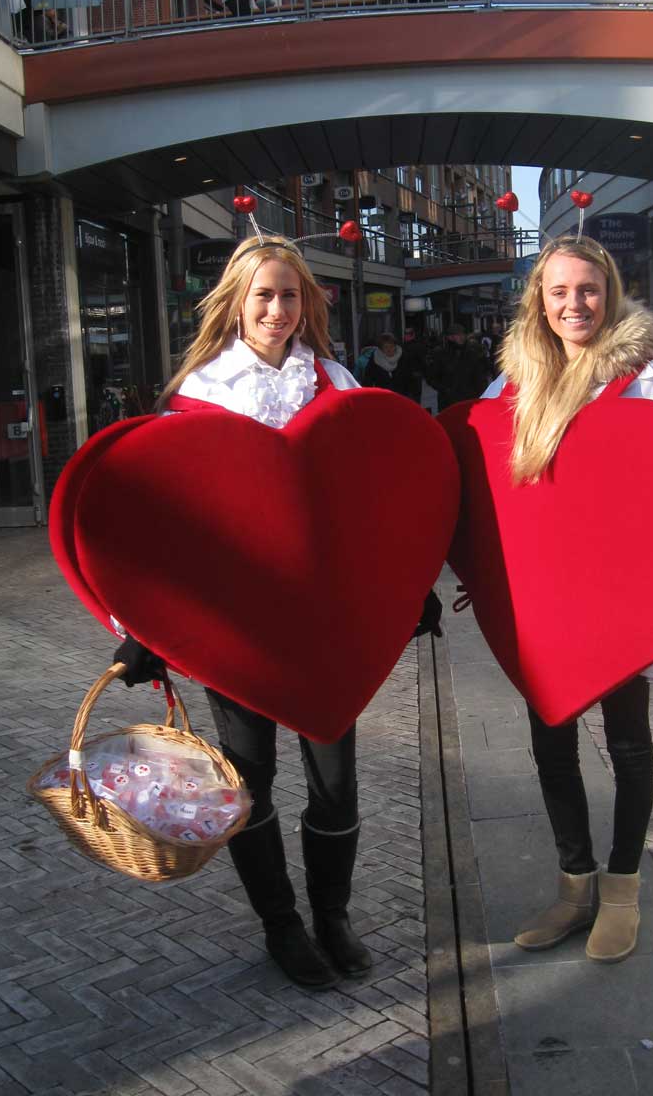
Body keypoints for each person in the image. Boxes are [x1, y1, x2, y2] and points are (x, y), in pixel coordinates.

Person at [112, 234, 441, 989]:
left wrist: (407, 580)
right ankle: (282, 925)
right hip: (237, 620)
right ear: (237, 301)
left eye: (290, 295)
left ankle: (333, 915)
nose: (277, 309)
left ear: (307, 303)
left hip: (325, 619)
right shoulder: (196, 395)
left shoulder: (337, 382)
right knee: (248, 776)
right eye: (263, 294)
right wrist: (142, 629)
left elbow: (378, 496)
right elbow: (163, 523)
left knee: (335, 779)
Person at [482, 235, 653, 963]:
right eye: (558, 292)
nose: (574, 304)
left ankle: (623, 889)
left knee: (628, 740)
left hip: (625, 598)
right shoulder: (511, 387)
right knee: (551, 740)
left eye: (588, 289)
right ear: (538, 303)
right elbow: (487, 492)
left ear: (610, 292)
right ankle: (575, 885)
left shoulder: (650, 382)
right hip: (548, 600)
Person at [425, 323, 492, 410]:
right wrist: (445, 389)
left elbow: (481, 375)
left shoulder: (472, 353)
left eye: (463, 334)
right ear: (450, 337)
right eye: (458, 335)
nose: (462, 337)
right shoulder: (441, 354)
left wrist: (480, 395)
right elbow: (431, 377)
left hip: (469, 401)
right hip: (448, 402)